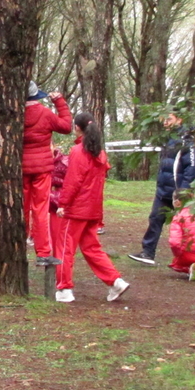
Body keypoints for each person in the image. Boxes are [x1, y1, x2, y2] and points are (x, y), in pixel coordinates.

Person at [55, 113, 130, 303]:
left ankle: (64, 289)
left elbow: (73, 181)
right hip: (92, 209)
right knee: (91, 248)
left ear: (77, 128)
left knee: (65, 248)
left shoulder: (78, 151)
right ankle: (115, 282)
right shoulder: (100, 153)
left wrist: (63, 203)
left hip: (77, 209)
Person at [129, 110, 195, 265]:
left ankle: (193, 260)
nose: (165, 122)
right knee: (155, 219)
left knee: (186, 227)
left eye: (169, 119)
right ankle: (148, 253)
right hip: (163, 191)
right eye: (163, 119)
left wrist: (182, 192)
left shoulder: (187, 140)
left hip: (179, 192)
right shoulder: (168, 139)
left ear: (179, 120)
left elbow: (192, 167)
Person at [23, 81, 72, 266]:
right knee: (40, 210)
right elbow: (66, 126)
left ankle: (18, 249)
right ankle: (43, 253)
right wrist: (59, 101)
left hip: (21, 169)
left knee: (21, 209)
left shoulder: (15, 115)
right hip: (42, 169)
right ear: (36, 96)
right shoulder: (45, 113)